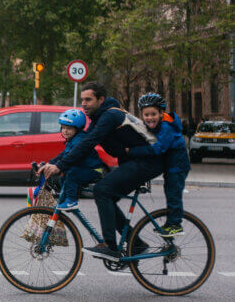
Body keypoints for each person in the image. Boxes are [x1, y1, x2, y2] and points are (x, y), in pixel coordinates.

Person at [38, 82, 162, 261]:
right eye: (82, 100)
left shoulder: (110, 116)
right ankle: (136, 243)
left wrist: (61, 166)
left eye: (88, 99)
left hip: (148, 161)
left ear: (101, 99)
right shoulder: (99, 118)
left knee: (101, 191)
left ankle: (110, 246)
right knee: (106, 197)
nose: (84, 104)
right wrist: (52, 163)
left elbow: (89, 143)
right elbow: (81, 143)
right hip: (135, 161)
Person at [125, 93, 190, 237]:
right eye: (146, 115)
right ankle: (170, 222)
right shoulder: (159, 124)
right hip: (171, 166)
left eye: (153, 114)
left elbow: (158, 149)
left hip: (178, 167)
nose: (150, 118)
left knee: (173, 194)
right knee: (169, 192)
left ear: (161, 113)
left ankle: (175, 225)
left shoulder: (167, 127)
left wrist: (132, 151)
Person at [48, 109, 105, 211]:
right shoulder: (72, 139)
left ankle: (71, 201)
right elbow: (63, 155)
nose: (65, 131)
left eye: (69, 128)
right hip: (84, 168)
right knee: (63, 178)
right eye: (63, 127)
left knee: (72, 175)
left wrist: (57, 166)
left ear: (77, 129)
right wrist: (49, 163)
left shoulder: (79, 140)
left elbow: (70, 157)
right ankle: (63, 200)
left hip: (95, 169)